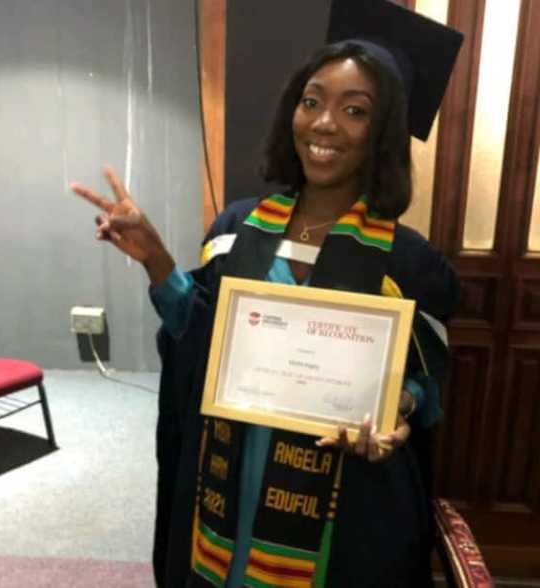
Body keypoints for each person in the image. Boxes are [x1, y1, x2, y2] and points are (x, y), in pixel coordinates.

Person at [72, 1, 462, 585]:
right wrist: (156, 260)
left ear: (381, 132)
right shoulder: (235, 231)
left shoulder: (407, 261)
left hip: (339, 502)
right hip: (230, 477)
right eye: (312, 101)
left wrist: (395, 412)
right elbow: (197, 338)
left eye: (354, 110)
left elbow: (422, 384)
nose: (324, 124)